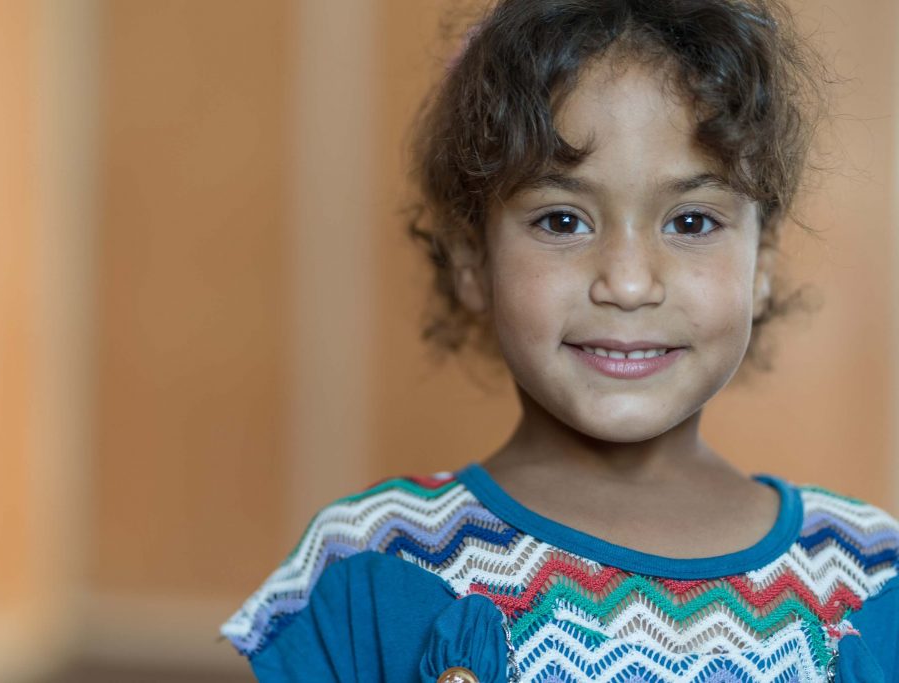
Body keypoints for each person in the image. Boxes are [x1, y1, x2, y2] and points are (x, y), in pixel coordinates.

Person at [219, 0, 899, 680]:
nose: (629, 284)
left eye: (691, 221)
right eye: (563, 220)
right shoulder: (375, 560)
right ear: (471, 261)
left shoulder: (871, 574)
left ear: (764, 263)